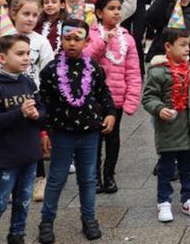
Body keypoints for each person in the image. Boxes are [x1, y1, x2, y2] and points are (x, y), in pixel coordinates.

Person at [37, 20, 116, 243]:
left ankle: (89, 219)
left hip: (90, 133)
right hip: (62, 133)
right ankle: (46, 221)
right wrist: (43, 131)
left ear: (86, 41)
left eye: (76, 39)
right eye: (67, 38)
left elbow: (104, 93)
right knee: (57, 178)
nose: (71, 43)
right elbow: (42, 102)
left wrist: (110, 113)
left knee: (88, 179)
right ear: (61, 40)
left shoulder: (93, 66)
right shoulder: (51, 70)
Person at [0, 35, 44, 244]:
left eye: (28, 53)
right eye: (20, 53)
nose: (26, 58)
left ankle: (17, 236)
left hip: (30, 153)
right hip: (7, 156)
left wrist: (37, 115)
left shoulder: (28, 81)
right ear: (2, 57)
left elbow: (42, 110)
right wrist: (20, 113)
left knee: (24, 201)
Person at [141, 27, 190, 222]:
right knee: (166, 168)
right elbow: (148, 97)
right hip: (169, 129)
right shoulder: (158, 72)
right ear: (168, 47)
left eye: (188, 44)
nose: (187, 48)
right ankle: (163, 202)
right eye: (182, 45)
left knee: (188, 167)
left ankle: (188, 199)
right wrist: (159, 108)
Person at [84, 0, 142, 194]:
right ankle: (94, 177)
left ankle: (109, 174)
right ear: (99, 13)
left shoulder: (127, 38)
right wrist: (102, 42)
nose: (116, 12)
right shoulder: (90, 35)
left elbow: (134, 71)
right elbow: (86, 59)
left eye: (118, 8)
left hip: (116, 98)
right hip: (93, 98)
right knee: (94, 139)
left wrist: (132, 99)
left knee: (113, 138)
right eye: (111, 8)